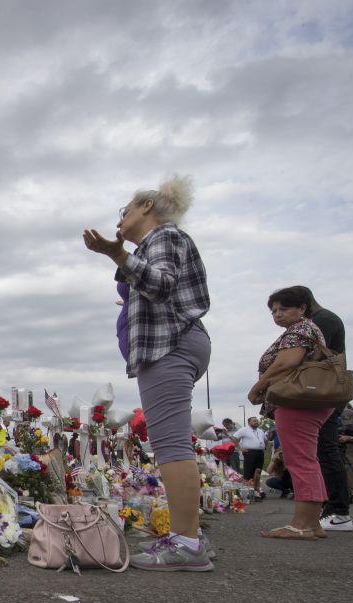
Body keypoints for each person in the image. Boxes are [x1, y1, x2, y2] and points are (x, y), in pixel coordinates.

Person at [84, 174, 213, 571]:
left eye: (124, 211)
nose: (120, 220)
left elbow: (160, 285)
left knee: (172, 445)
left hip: (169, 346)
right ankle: (187, 534)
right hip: (175, 345)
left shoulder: (164, 238)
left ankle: (187, 545)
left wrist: (116, 254)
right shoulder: (159, 243)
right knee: (172, 442)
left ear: (146, 207)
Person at [248, 286, 333, 540]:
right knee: (308, 460)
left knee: (299, 461)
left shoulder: (301, 329)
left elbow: (287, 361)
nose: (277, 314)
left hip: (296, 402)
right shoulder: (307, 330)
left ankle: (301, 524)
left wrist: (258, 387)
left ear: (302, 308)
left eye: (283, 308)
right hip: (310, 403)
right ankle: (312, 522)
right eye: (273, 310)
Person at [292, 287, 352, 532]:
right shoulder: (324, 319)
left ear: (303, 305)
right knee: (321, 452)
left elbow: (313, 355)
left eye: (285, 308)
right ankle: (331, 509)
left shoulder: (322, 321)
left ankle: (339, 512)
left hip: (322, 393)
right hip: (323, 394)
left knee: (326, 452)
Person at [233, 417, 268, 499]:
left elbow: (266, 440)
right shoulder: (244, 430)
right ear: (249, 422)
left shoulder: (260, 431)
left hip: (260, 452)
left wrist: (264, 447)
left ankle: (257, 490)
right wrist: (240, 448)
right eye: (254, 421)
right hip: (249, 452)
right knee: (248, 472)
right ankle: (248, 491)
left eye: (257, 421)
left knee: (258, 471)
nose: (256, 422)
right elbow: (234, 438)